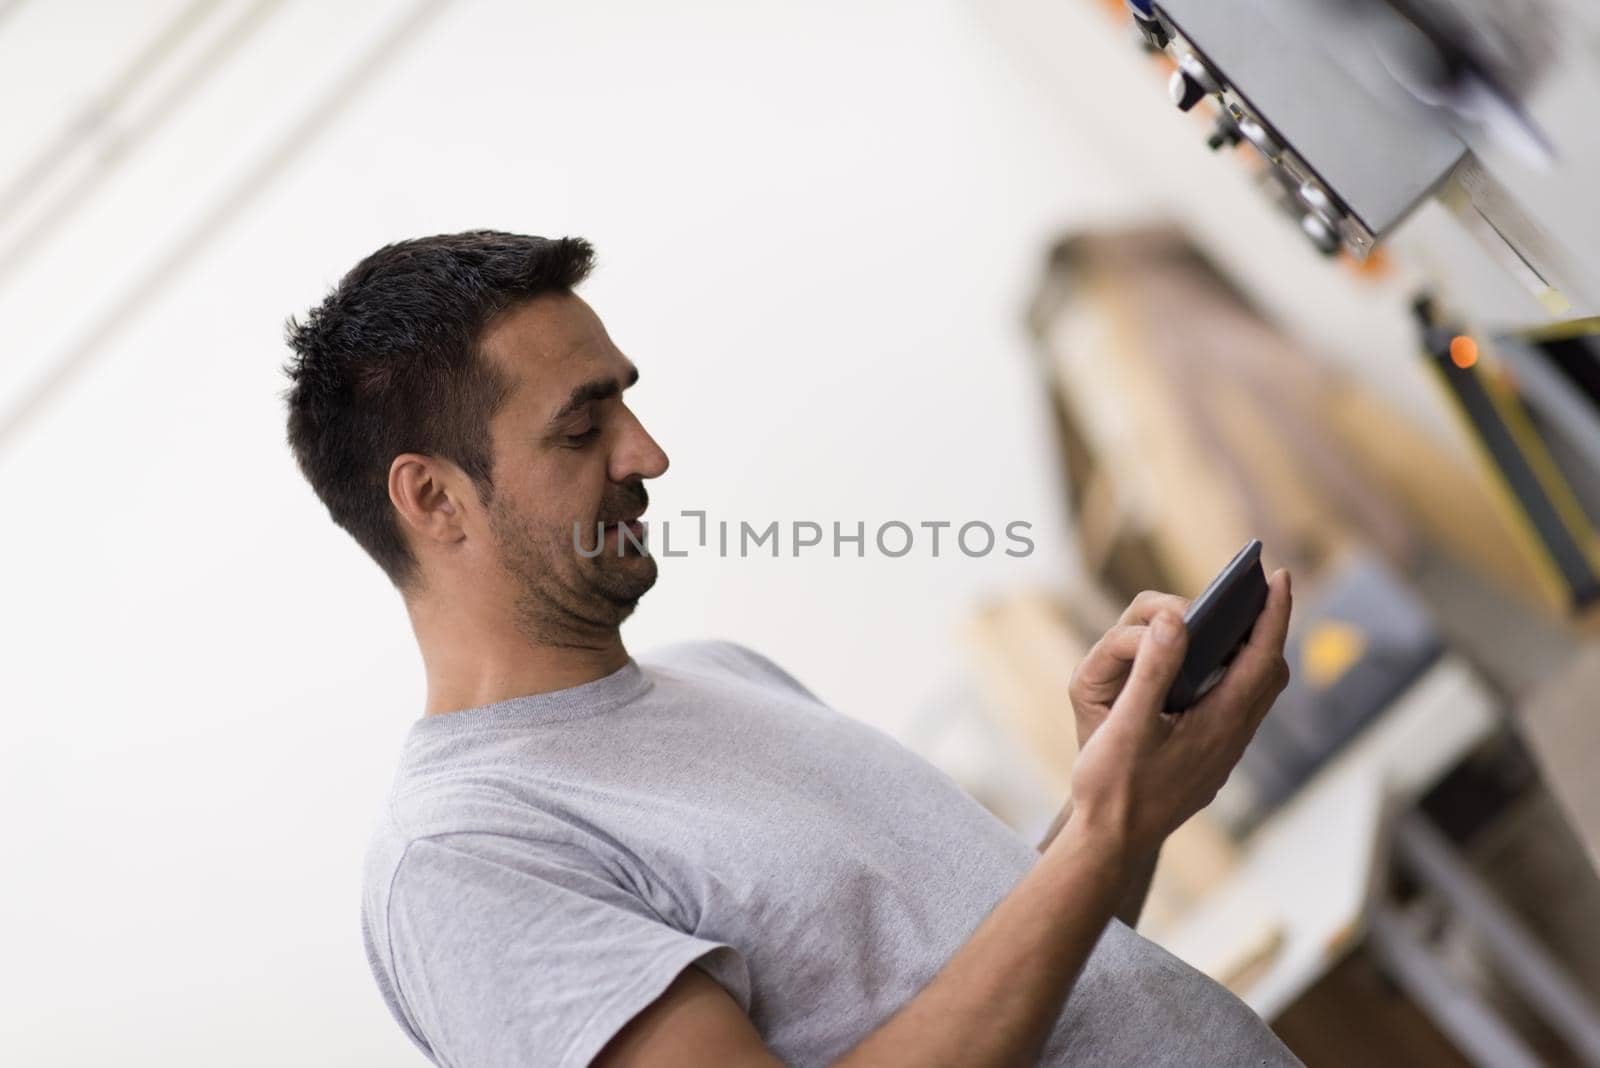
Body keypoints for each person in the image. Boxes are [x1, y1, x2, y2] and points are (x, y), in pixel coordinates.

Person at [282, 230, 1301, 1068]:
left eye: (626, 403)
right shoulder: (463, 857)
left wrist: (1110, 799)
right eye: (581, 430)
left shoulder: (723, 674)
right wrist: (1103, 831)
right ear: (432, 498)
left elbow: (1026, 985)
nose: (647, 455)